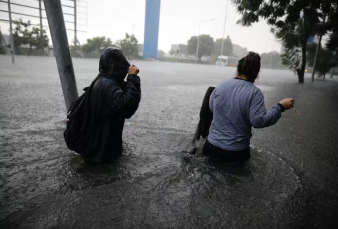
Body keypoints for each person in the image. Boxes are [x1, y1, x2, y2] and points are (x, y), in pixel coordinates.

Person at [203, 52, 294, 162]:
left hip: (211, 146)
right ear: (256, 74)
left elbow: (212, 109)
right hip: (236, 153)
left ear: (238, 69)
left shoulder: (221, 85)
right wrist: (280, 107)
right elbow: (258, 121)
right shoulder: (254, 93)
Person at [81, 47, 141, 164]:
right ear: (115, 66)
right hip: (101, 156)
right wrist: (133, 78)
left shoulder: (102, 80)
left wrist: (130, 79)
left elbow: (123, 95)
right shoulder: (107, 85)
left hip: (95, 150)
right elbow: (127, 107)